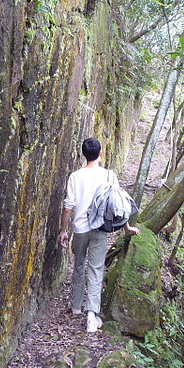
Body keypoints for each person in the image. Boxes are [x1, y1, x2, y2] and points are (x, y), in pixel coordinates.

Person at [59, 138, 140, 333]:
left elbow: (68, 206)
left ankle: (76, 306)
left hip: (80, 229)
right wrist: (126, 227)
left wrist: (63, 230)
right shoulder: (109, 176)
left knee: (78, 265)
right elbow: (117, 205)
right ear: (100, 153)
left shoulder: (75, 177)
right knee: (95, 269)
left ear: (83, 154)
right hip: (100, 228)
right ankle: (91, 315)